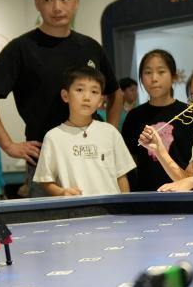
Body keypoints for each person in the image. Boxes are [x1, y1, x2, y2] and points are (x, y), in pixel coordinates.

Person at [0, 0, 120, 197]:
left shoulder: (91, 47)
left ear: (75, 2)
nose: (57, 7)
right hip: (45, 159)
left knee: (102, 215)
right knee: (49, 219)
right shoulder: (21, 49)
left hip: (92, 156)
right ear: (37, 3)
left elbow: (115, 93)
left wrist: (109, 132)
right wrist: (8, 145)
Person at [33, 66, 135, 196]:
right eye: (80, 90)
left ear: (100, 101)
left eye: (94, 92)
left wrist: (125, 204)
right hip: (76, 206)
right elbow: (45, 180)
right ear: (65, 96)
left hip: (111, 207)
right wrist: (62, 192)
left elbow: (121, 175)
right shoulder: (53, 137)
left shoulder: (110, 132)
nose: (87, 97)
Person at [121, 50, 193, 191]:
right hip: (146, 195)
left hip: (184, 193)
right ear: (141, 78)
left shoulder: (189, 113)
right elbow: (129, 161)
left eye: (161, 72)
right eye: (148, 72)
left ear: (174, 76)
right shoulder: (134, 116)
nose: (154, 78)